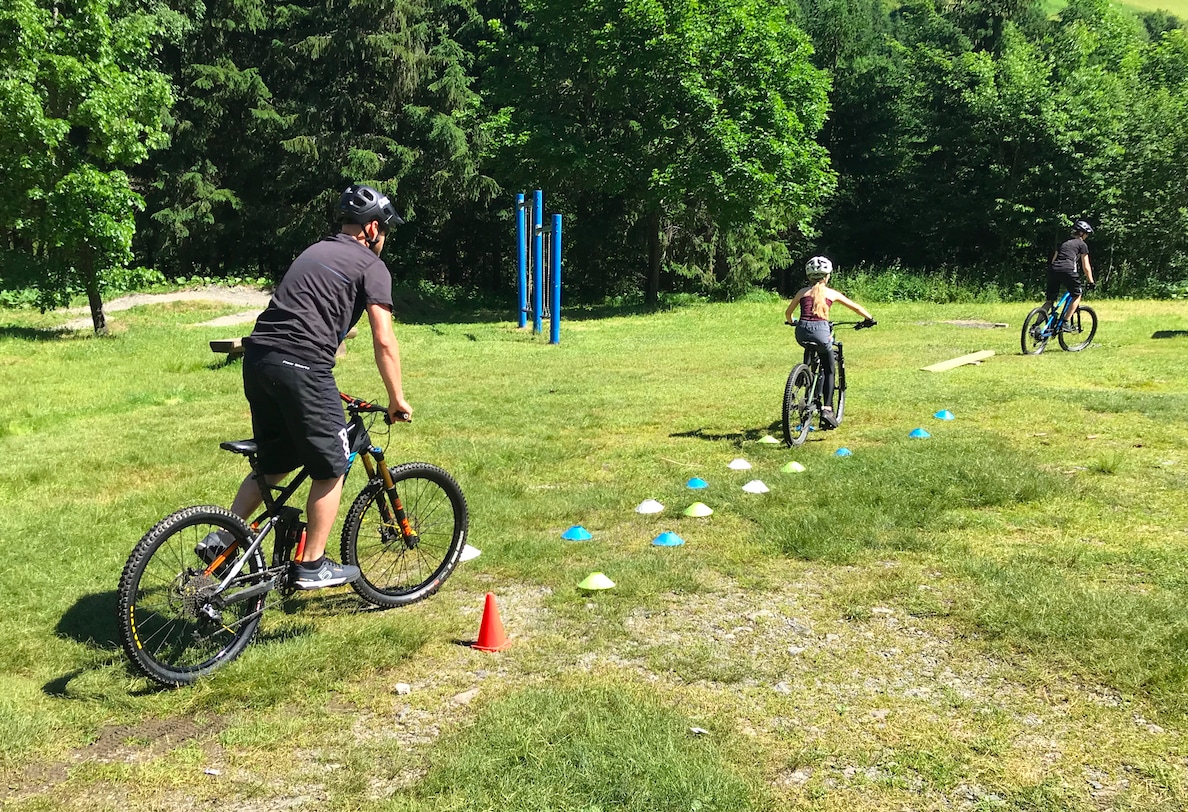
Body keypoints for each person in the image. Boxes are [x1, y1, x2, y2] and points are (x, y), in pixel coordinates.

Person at [198, 183, 413, 589]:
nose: (384, 240)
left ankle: (223, 539)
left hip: (258, 361)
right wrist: (396, 399)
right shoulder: (371, 265)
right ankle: (312, 564)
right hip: (302, 366)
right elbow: (384, 337)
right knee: (332, 464)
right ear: (370, 229)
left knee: (277, 460)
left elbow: (306, 308)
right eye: (384, 231)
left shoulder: (315, 251)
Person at [783, 256, 874, 428]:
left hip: (801, 333)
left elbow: (788, 313)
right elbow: (855, 307)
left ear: (809, 276)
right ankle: (827, 409)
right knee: (829, 369)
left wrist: (791, 321)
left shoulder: (802, 292)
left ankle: (805, 374)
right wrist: (869, 318)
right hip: (821, 332)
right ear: (828, 276)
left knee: (809, 345)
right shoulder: (831, 293)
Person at [1043, 219, 1096, 329]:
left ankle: (1035, 326)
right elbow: (1086, 266)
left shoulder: (1063, 243)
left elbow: (1053, 260)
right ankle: (1065, 322)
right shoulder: (1082, 244)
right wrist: (1091, 281)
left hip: (1054, 270)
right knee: (1077, 295)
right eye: (1086, 234)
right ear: (1082, 233)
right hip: (1068, 270)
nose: (1086, 237)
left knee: (1049, 301)